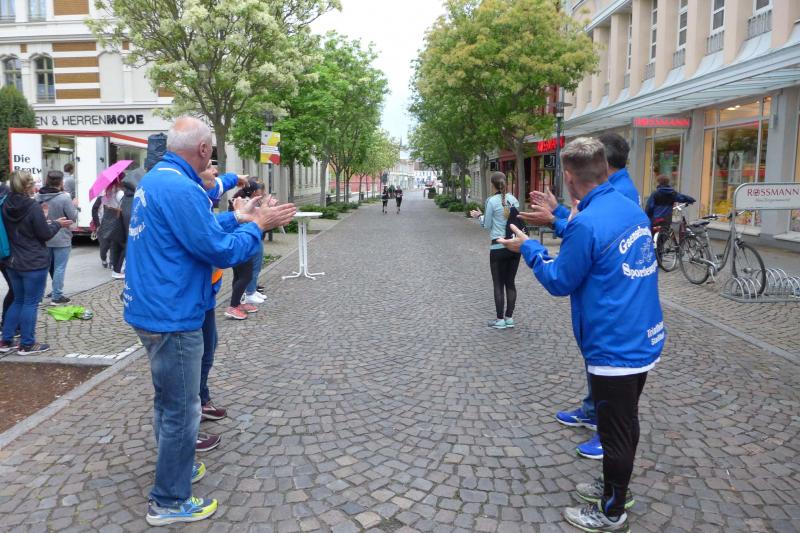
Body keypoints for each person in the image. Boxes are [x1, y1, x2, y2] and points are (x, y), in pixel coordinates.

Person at [124, 117, 296, 526]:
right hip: (173, 314)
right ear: (203, 149)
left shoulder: (159, 178)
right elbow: (219, 251)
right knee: (182, 410)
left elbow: (195, 232)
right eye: (212, 151)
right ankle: (168, 500)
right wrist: (258, 226)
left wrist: (238, 218)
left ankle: (177, 468)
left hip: (153, 308)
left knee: (168, 401)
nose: (213, 158)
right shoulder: (182, 188)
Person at [498, 137, 664, 532]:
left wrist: (529, 249)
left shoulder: (587, 222)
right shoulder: (628, 207)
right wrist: (559, 216)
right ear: (604, 169)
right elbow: (595, 246)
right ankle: (613, 487)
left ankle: (612, 511)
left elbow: (560, 280)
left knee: (616, 431)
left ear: (570, 179)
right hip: (644, 332)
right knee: (623, 422)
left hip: (613, 343)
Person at [521, 132, 641, 461]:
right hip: (617, 317)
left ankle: (607, 437)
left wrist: (531, 247)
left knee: (617, 398)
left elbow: (568, 265)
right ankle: (593, 412)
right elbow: (585, 231)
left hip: (612, 319)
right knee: (606, 380)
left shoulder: (620, 198)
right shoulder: (614, 196)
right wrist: (558, 213)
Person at [0, 171, 71, 355]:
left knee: (18, 300)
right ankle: (27, 344)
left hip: (12, 261)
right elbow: (44, 234)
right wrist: (57, 224)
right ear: (28, 186)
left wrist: (44, 219)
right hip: (33, 262)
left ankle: (6, 341)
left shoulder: (5, 203)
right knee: (30, 303)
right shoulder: (32, 206)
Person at [469, 172, 521, 330]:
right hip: (514, 247)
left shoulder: (491, 201)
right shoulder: (514, 200)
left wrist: (479, 216)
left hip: (498, 248)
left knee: (498, 284)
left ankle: (500, 320)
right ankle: (509, 318)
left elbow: (487, 225)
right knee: (510, 283)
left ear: (492, 185)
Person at [225, 179, 265, 320]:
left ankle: (238, 303)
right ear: (253, 191)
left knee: (239, 275)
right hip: (242, 242)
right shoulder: (245, 202)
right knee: (246, 275)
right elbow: (251, 219)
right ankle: (233, 307)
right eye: (259, 191)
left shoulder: (240, 199)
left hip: (239, 241)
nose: (261, 193)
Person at [37, 170, 78, 305]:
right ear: (61, 182)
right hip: (62, 237)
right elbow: (72, 217)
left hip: (44, 237)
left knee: (44, 268)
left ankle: (38, 297)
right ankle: (57, 296)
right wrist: (75, 207)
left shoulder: (38, 196)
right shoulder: (64, 198)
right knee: (59, 267)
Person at [99, 177, 126, 279]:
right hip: (118, 221)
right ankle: (118, 268)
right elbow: (123, 208)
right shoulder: (120, 193)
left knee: (115, 245)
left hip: (110, 222)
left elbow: (106, 206)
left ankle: (115, 267)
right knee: (124, 245)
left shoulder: (107, 192)